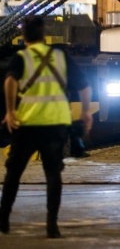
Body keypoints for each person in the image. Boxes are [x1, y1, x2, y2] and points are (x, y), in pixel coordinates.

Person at [2, 16, 92, 238]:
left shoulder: (21, 57)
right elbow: (84, 85)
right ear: (44, 35)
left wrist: (10, 111)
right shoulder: (60, 57)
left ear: (24, 37)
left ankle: (3, 218)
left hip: (28, 124)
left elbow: (10, 81)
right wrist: (85, 112)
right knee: (53, 174)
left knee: (14, 172)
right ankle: (52, 224)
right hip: (56, 124)